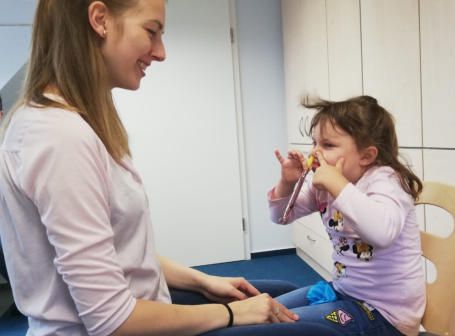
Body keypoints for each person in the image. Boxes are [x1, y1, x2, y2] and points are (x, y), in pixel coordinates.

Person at [0, 1, 308, 335]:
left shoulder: (75, 123)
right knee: (316, 324)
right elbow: (112, 322)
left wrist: (204, 281)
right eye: (151, 32)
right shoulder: (58, 137)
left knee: (278, 290)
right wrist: (232, 314)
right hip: (122, 326)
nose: (160, 53)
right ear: (100, 19)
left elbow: (113, 250)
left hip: (142, 306)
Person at [268, 95, 426, 336]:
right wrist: (287, 183)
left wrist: (338, 185)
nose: (314, 153)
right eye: (314, 143)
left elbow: (382, 233)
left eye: (328, 145)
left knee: (287, 325)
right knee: (267, 312)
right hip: (344, 291)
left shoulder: (386, 181)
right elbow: (281, 217)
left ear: (366, 156)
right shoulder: (327, 184)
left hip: (384, 315)